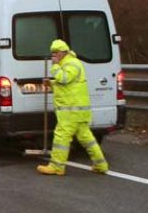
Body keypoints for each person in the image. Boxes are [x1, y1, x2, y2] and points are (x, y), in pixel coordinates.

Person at [37, 39, 109, 176]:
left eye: (55, 53)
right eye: (52, 53)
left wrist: (54, 67)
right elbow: (67, 84)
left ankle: (56, 166)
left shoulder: (72, 64)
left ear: (63, 52)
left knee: (61, 137)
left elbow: (64, 78)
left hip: (71, 110)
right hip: (77, 110)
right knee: (87, 139)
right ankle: (101, 164)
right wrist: (51, 83)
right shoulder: (69, 64)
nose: (53, 56)